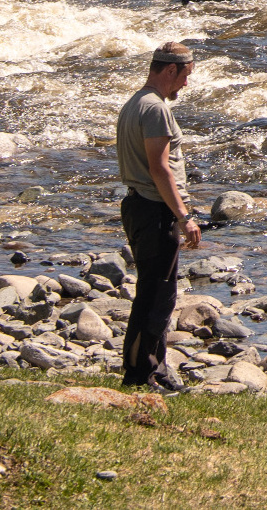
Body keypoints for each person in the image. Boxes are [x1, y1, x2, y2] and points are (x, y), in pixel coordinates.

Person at [115, 42, 205, 391]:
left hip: (142, 207)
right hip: (155, 211)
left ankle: (159, 369)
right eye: (185, 76)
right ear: (171, 70)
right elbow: (159, 168)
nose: (186, 84)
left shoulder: (135, 103)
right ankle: (140, 374)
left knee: (160, 294)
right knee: (154, 296)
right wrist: (184, 216)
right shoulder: (155, 109)